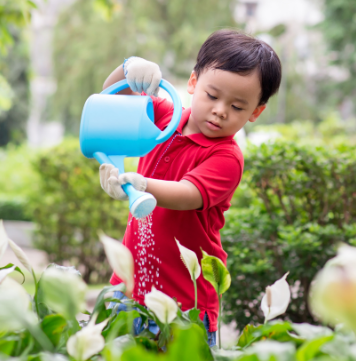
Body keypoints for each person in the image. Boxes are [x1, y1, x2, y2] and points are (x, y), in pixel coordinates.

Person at [99, 30, 282, 346]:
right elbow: (112, 98)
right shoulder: (165, 116)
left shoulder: (227, 156)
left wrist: (141, 184)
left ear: (256, 112)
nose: (221, 110)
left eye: (237, 106)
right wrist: (129, 70)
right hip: (128, 288)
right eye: (213, 96)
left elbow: (188, 194)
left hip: (184, 305)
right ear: (193, 82)